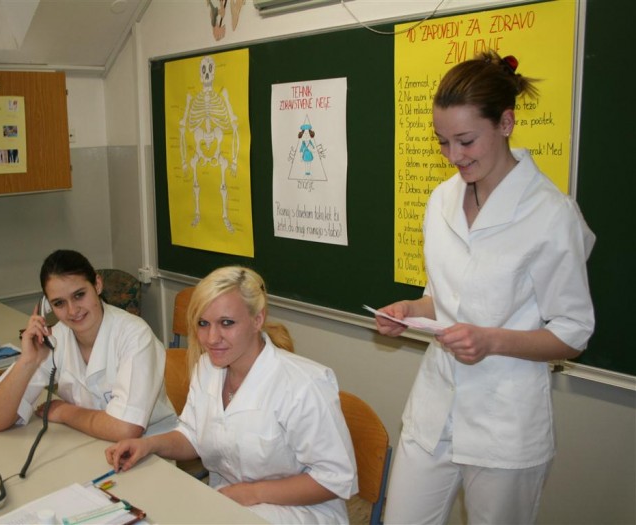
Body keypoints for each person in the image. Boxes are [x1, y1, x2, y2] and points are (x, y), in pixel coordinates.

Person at [376, 51, 595, 525]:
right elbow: (442, 298)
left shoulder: (550, 214)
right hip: (434, 409)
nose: (453, 156)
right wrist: (409, 309)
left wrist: (490, 340)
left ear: (506, 123)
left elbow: (573, 332)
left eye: (466, 141)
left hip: (504, 422)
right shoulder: (441, 200)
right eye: (443, 142)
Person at [106, 266, 358, 523]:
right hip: (230, 501)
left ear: (257, 319)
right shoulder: (208, 368)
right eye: (203, 323)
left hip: (300, 511)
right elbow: (192, 435)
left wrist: (252, 493)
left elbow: (334, 479)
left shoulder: (303, 385)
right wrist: (148, 444)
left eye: (226, 323)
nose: (212, 338)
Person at [0, 249, 177, 440]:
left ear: (97, 285)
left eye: (79, 295)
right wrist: (27, 361)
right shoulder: (55, 338)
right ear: (48, 307)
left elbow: (125, 429)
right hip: (90, 443)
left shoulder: (135, 335)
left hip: (151, 449)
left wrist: (65, 412)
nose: (72, 310)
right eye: (59, 303)